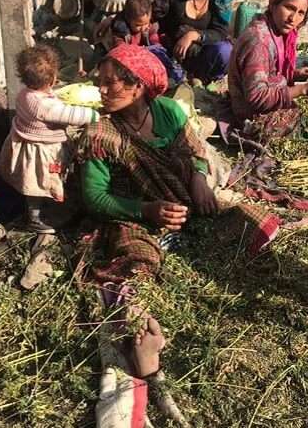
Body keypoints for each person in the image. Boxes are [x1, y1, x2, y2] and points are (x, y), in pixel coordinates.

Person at [77, 44, 280, 384]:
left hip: (184, 203)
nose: (101, 90)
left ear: (138, 86)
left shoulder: (169, 111)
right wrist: (147, 210)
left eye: (111, 83)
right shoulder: (100, 135)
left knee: (252, 220)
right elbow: (94, 198)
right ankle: (144, 336)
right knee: (135, 264)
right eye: (101, 81)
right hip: (134, 218)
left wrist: (200, 181)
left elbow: (196, 152)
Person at [0, 45, 100, 233]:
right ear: (52, 79)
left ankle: (45, 204)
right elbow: (68, 114)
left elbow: (52, 104)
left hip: (30, 144)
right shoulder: (43, 105)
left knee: (39, 181)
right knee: (37, 183)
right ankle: (35, 218)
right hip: (41, 151)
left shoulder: (26, 94)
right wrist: (93, 115)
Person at [228, 0, 308, 137]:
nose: (293, 18)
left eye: (300, 13)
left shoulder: (275, 31)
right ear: (273, 6)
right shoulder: (258, 41)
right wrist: (304, 89)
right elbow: (256, 98)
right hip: (250, 114)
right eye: (289, 8)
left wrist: (294, 74)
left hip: (264, 97)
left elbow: (268, 71)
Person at [154, 0, 233, 84]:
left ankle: (204, 79)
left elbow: (220, 32)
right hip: (172, 53)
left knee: (225, 50)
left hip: (201, 55)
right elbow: (157, 22)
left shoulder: (218, 2)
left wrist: (194, 35)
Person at [95, 0, 162, 50]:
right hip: (110, 50)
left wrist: (154, 43)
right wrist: (137, 50)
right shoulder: (121, 32)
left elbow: (153, 36)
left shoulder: (149, 26)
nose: (143, 28)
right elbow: (120, 48)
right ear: (128, 20)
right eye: (138, 25)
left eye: (146, 23)